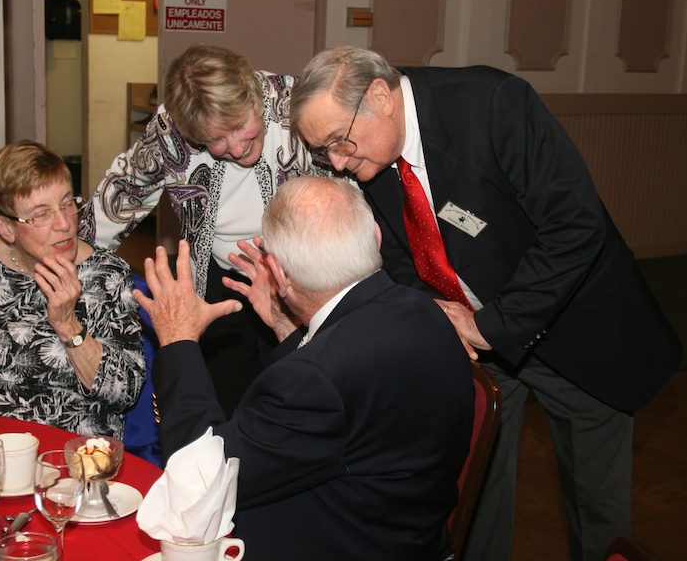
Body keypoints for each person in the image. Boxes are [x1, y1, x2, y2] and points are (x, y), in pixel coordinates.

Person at [290, 46, 683, 561]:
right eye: (325, 153)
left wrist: (491, 326)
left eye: (340, 142)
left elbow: (575, 227)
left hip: (574, 328)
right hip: (480, 342)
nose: (338, 162)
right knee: (477, 487)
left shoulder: (493, 104)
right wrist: (439, 317)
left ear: (381, 97)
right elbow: (405, 257)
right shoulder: (376, 160)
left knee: (597, 513)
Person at [134, 176, 475, 560]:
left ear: (279, 274)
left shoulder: (317, 379)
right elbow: (341, 413)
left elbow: (200, 485)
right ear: (375, 238)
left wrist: (178, 338)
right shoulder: (426, 312)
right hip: (405, 533)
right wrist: (286, 326)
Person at [79, 43, 332, 418]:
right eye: (215, 140)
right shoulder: (171, 129)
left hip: (301, 270)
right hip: (218, 276)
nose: (235, 147)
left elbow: (346, 188)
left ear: (253, 92)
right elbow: (122, 194)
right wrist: (65, 250)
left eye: (239, 126)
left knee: (299, 388)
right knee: (228, 395)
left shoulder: (293, 103)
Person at [0, 140, 145, 438]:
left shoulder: (106, 275)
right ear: (5, 227)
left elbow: (125, 392)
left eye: (67, 203)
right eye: (41, 214)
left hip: (69, 451)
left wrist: (67, 326)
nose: (64, 223)